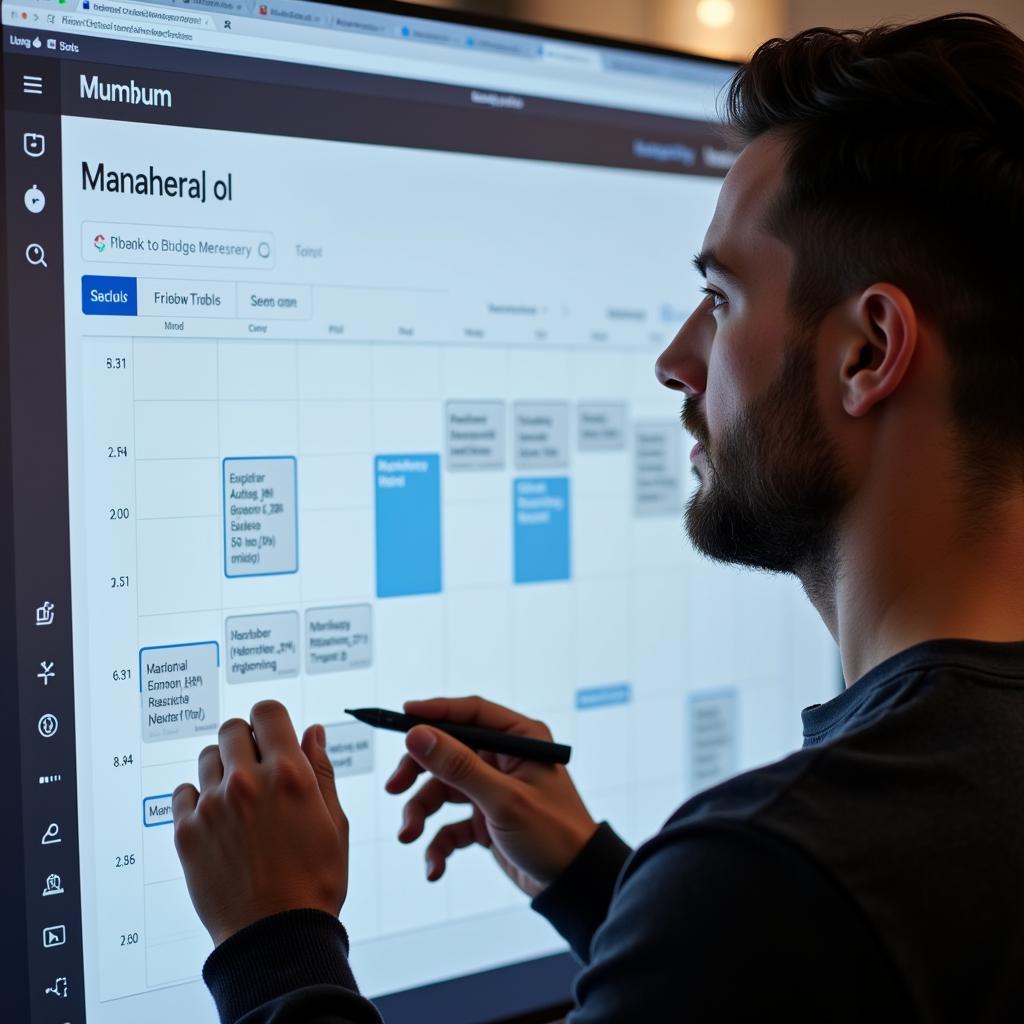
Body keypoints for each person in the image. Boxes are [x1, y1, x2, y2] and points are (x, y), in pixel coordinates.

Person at [172, 12, 1024, 1022]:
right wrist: (598, 884)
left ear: (867, 352)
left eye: (719, 299)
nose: (675, 359)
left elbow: (785, 927)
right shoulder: (874, 850)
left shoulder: (778, 875)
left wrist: (275, 944)